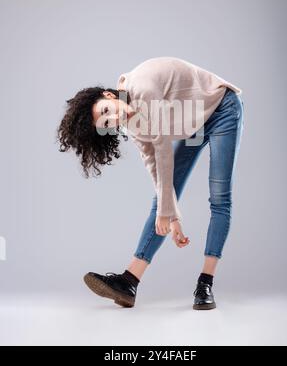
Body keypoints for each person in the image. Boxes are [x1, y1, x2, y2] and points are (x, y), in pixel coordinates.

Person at [57, 57, 244, 310]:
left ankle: (205, 283)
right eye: (107, 123)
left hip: (220, 108)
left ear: (107, 95)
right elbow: (152, 163)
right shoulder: (129, 124)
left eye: (105, 110)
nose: (113, 118)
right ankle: (129, 281)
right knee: (163, 200)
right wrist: (173, 214)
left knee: (219, 197)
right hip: (194, 125)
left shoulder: (142, 89)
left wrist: (167, 209)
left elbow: (162, 147)